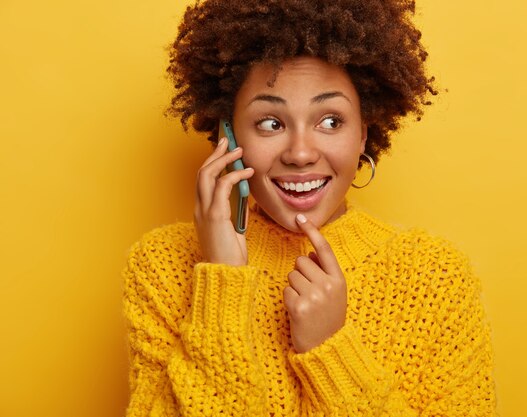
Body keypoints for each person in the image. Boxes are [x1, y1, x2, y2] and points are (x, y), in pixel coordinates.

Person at [122, 0, 497, 415]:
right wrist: (221, 287)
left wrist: (331, 350)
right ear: (228, 135)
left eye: (331, 121)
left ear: (362, 135)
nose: (300, 153)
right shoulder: (162, 267)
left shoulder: (436, 279)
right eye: (271, 123)